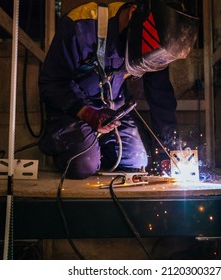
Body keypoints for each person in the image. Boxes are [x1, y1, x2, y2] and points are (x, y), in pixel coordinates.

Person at [38, 0, 198, 179]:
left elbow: (160, 95)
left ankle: (95, 150)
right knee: (83, 165)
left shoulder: (157, 44)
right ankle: (72, 147)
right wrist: (86, 114)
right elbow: (51, 83)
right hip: (74, 111)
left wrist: (169, 149)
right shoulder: (81, 25)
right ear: (133, 14)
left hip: (113, 114)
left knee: (138, 162)